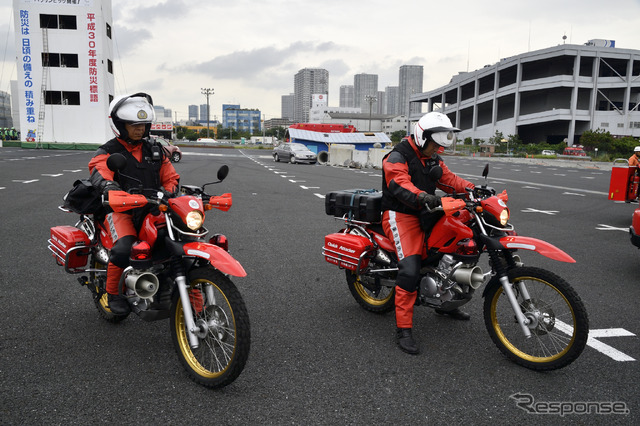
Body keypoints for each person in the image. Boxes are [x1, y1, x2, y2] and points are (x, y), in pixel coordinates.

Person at [381, 112, 475, 355]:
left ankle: (445, 304)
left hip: (427, 210)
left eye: (440, 147)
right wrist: (422, 196)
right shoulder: (398, 156)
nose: (437, 150)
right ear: (422, 137)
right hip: (401, 215)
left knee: (455, 248)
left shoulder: (432, 158)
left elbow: (450, 180)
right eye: (435, 145)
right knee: (411, 269)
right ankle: (403, 329)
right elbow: (399, 182)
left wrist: (475, 190)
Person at [89, 93, 179, 314]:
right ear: (120, 125)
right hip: (122, 211)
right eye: (133, 124)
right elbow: (99, 171)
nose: (140, 129)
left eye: (143, 124)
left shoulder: (155, 150)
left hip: (153, 208)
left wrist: (169, 193)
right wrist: (109, 188)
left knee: (177, 243)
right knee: (123, 248)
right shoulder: (108, 151)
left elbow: (171, 178)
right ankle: (113, 294)